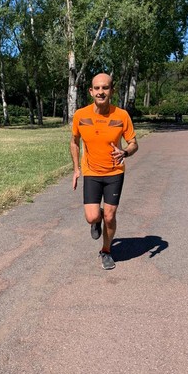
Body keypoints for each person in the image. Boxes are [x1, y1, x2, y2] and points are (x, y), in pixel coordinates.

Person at [70, 73, 138, 270]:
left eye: (105, 88)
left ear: (111, 91)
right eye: (97, 88)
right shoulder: (81, 116)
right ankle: (97, 219)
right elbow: (74, 142)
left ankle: (106, 251)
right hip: (91, 172)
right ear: (91, 92)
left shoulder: (121, 115)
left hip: (114, 172)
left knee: (110, 216)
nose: (101, 92)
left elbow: (134, 143)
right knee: (92, 217)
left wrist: (125, 152)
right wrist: (76, 169)